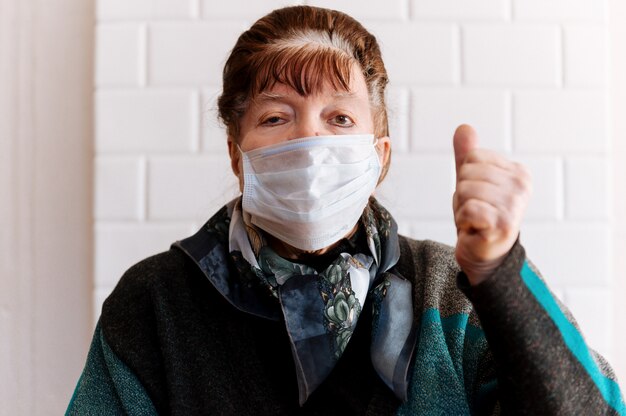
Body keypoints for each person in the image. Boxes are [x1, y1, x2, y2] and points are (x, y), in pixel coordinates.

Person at [67, 5, 625, 415]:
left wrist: (500, 274)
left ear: (378, 156)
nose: (309, 144)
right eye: (275, 117)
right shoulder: (154, 306)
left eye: (339, 119)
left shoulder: (449, 297)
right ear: (237, 155)